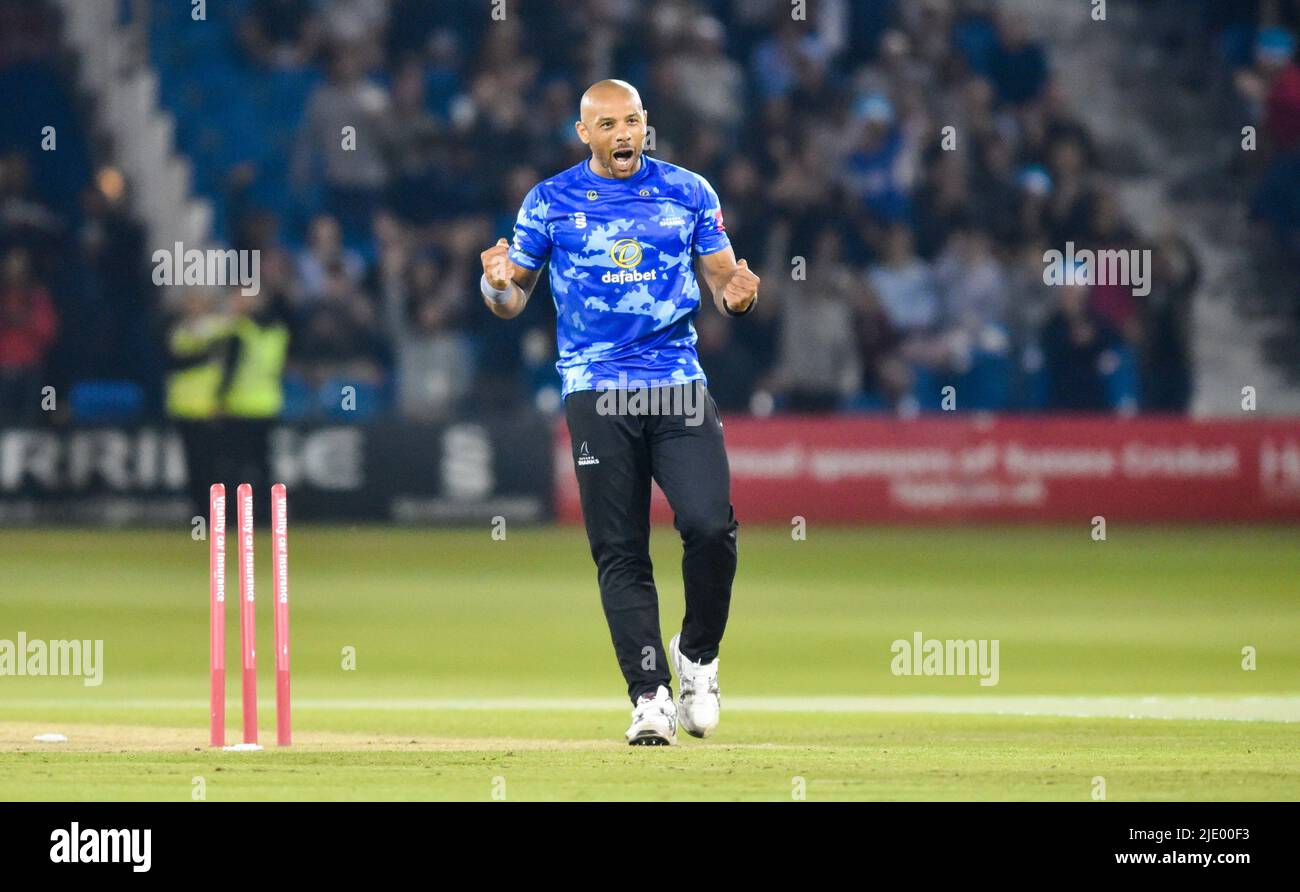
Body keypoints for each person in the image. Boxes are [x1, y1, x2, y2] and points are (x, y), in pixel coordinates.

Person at [478, 80, 759, 745]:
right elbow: (511, 299)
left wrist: (740, 296)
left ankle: (698, 657)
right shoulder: (549, 202)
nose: (623, 133)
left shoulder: (688, 191)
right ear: (584, 133)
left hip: (677, 384)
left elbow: (723, 282)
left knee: (710, 527)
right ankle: (650, 696)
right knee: (620, 550)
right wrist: (493, 285)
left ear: (646, 124)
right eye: (608, 124)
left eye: (632, 120)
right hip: (596, 390)